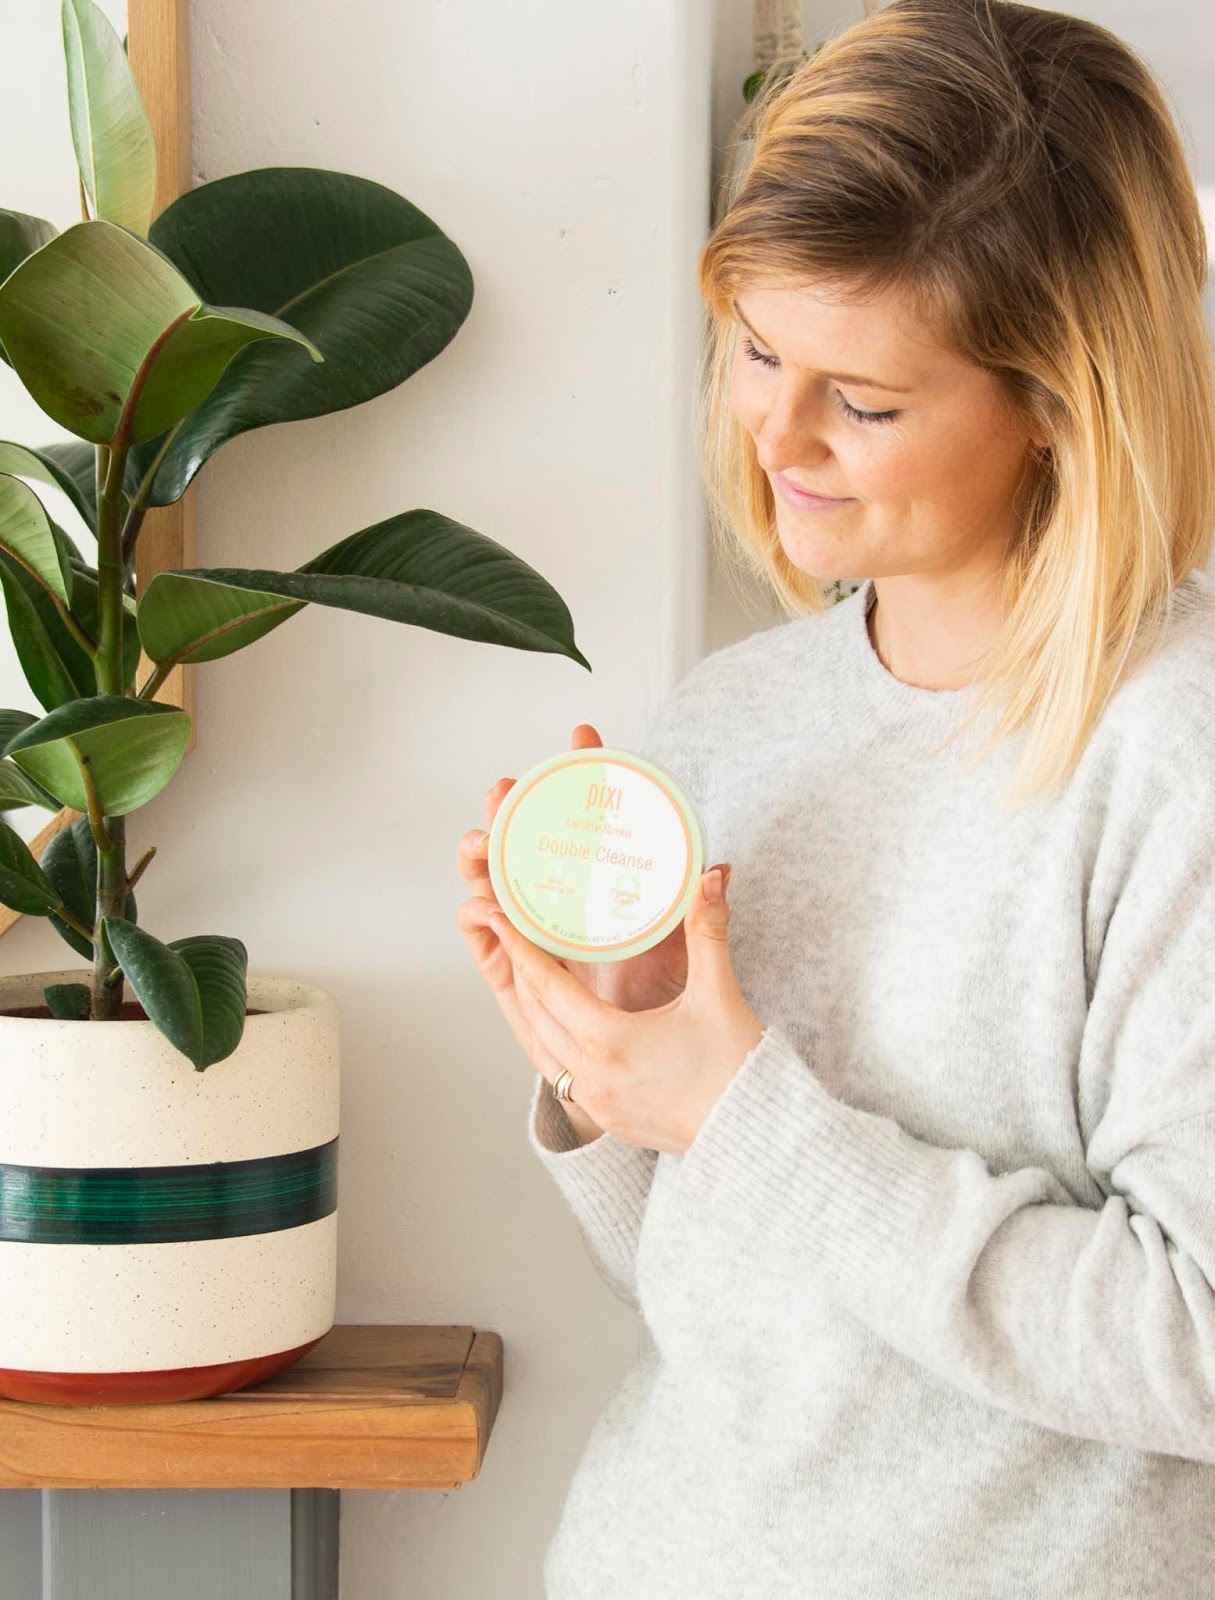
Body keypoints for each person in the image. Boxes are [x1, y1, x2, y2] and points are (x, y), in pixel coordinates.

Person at [455, 0, 1215, 1593]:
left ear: (1062, 404)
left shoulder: (1173, 753)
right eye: (756, 349)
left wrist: (735, 1111)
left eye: (864, 402)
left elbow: (1194, 1346)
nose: (779, 434)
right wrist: (614, 1064)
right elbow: (742, 1311)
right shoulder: (733, 719)